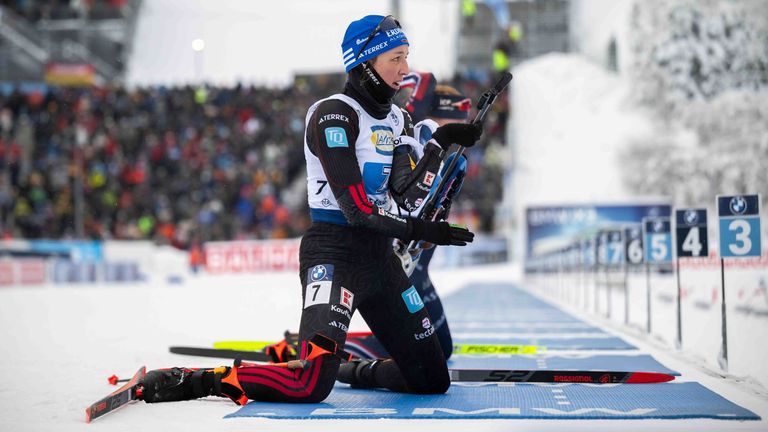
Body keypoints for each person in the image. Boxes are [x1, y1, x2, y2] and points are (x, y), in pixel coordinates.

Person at [134, 14, 482, 405]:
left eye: (406, 57)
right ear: (365, 62)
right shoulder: (333, 113)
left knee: (432, 379)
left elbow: (405, 197)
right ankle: (201, 381)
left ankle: (349, 369)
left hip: (380, 261)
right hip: (334, 256)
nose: (405, 69)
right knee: (310, 386)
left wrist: (443, 142)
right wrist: (422, 231)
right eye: (396, 58)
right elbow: (357, 210)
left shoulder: (398, 117)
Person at [343, 72, 473, 362]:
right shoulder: (412, 138)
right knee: (420, 352)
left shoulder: (452, 159)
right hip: (394, 262)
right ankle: (331, 346)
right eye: (457, 121)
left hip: (418, 268)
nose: (463, 128)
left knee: (444, 349)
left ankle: (354, 342)